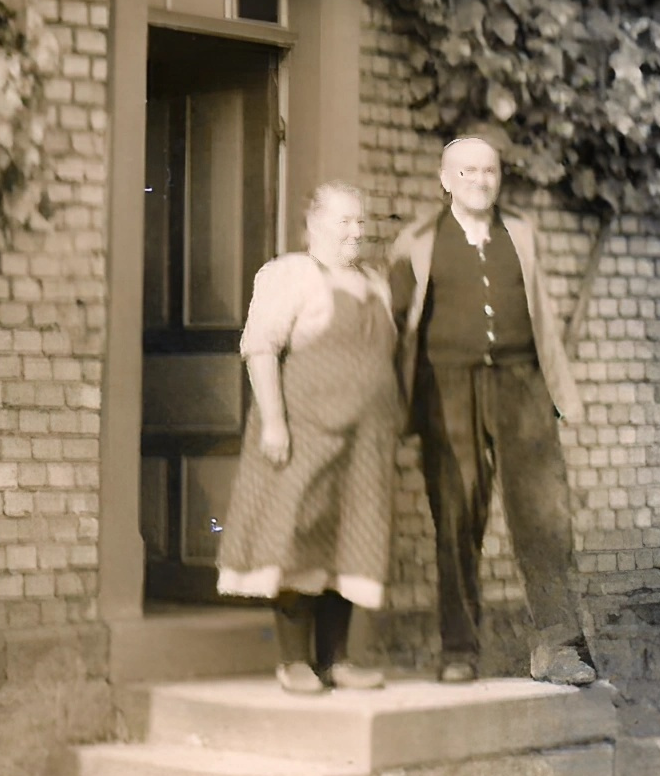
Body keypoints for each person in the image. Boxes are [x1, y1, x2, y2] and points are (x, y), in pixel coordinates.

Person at [388, 129, 597, 686]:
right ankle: (459, 648)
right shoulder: (416, 242)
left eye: (489, 171)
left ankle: (559, 648)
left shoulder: (523, 233)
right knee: (456, 516)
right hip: (447, 387)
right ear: (445, 180)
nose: (480, 181)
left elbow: (542, 313)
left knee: (545, 518)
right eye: (468, 171)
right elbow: (396, 326)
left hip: (521, 384)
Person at [216, 182, 402, 694]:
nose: (356, 231)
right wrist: (274, 421)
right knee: (296, 534)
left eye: (360, 222)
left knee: (352, 538)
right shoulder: (291, 274)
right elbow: (260, 349)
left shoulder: (376, 283)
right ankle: (294, 660)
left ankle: (337, 659)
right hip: (305, 433)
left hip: (364, 442)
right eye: (345, 222)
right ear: (314, 224)